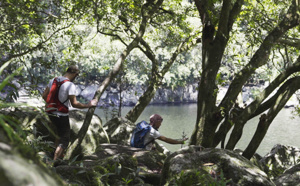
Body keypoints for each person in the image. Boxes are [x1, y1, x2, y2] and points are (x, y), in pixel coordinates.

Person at [42, 65, 97, 161]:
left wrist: (52, 105)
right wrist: (88, 105)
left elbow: (44, 95)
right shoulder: (70, 85)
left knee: (58, 134)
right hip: (61, 115)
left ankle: (56, 156)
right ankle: (54, 161)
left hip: (50, 112)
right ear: (75, 74)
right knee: (64, 139)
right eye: (77, 75)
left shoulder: (54, 80)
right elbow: (75, 104)